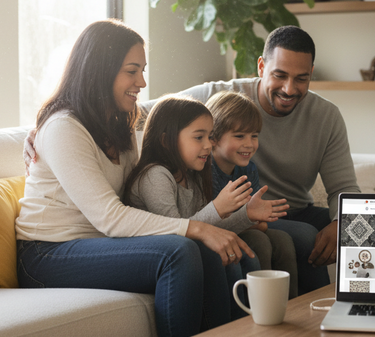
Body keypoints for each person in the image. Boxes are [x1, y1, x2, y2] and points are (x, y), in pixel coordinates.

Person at [24, 25, 361, 293]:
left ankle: (349, 318)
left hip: (287, 206)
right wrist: (44, 127)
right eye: (280, 75)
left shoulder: (326, 116)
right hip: (230, 210)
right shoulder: (218, 95)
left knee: (363, 227)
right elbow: (163, 114)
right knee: (294, 237)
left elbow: (345, 187)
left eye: (301, 78)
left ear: (312, 74)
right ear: (262, 66)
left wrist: (339, 223)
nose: (289, 88)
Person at [15, 19, 253, 337]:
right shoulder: (63, 127)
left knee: (205, 252)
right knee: (180, 251)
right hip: (47, 255)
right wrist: (197, 226)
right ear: (100, 69)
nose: (141, 82)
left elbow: (170, 122)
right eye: (132, 71)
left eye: (142, 70)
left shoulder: (118, 124)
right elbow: (110, 217)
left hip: (96, 245)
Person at [121, 94, 289, 318]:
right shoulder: (155, 176)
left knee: (243, 255)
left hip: (185, 250)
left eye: (210, 137)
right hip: (159, 259)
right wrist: (218, 208)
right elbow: (178, 235)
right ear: (165, 140)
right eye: (199, 137)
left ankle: (254, 326)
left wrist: (247, 214)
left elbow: (207, 229)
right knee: (222, 259)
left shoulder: (194, 175)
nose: (209, 145)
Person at [205, 90, 299, 298]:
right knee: (259, 240)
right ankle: (258, 308)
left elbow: (259, 220)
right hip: (217, 232)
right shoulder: (205, 171)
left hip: (242, 227)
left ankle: (289, 307)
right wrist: (251, 219)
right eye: (239, 136)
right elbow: (214, 220)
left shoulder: (249, 170)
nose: (249, 144)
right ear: (213, 138)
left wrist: (253, 218)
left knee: (283, 240)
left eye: (254, 136)